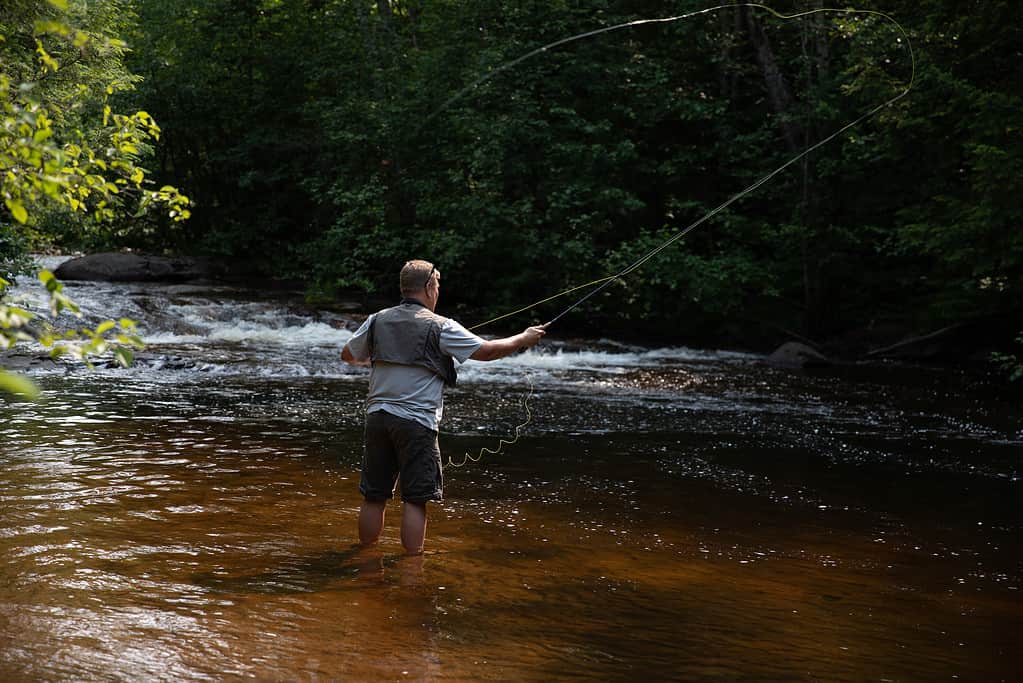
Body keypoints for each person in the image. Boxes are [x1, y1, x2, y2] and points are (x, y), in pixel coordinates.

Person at [341, 259, 546, 554]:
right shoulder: (441, 326)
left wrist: (380, 356)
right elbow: (486, 352)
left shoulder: (377, 320)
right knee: (416, 498)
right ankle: (412, 567)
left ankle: (364, 558)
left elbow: (347, 354)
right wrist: (523, 339)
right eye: (437, 286)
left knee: (374, 495)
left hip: (377, 419)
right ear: (427, 287)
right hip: (416, 424)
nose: (437, 292)